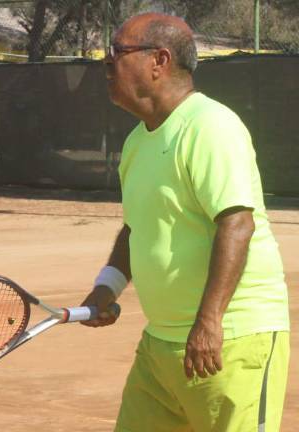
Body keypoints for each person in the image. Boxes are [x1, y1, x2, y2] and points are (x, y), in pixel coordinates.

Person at [80, 13, 291, 432]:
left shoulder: (210, 126)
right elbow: (136, 227)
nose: (106, 64)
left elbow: (237, 223)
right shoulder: (139, 139)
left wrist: (209, 322)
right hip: (162, 345)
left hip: (229, 342)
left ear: (159, 60)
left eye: (117, 53)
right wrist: (106, 287)